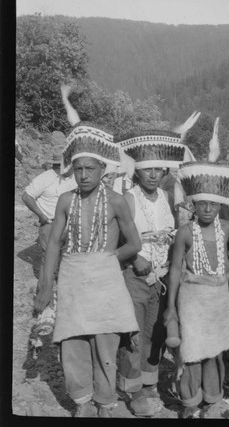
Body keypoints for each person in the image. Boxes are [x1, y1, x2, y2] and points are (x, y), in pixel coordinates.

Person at [34, 120, 142, 418]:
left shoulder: (117, 202)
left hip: (105, 281)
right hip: (72, 280)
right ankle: (82, 402)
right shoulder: (66, 201)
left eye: (89, 169)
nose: (83, 175)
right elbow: (54, 243)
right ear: (72, 169)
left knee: (106, 344)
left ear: (102, 170)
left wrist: (106, 260)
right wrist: (45, 286)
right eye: (78, 169)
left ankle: (106, 403)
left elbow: (134, 244)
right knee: (72, 342)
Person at [115, 128, 194, 417]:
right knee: (133, 336)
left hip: (160, 277)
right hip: (135, 276)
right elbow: (119, 239)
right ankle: (132, 392)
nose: (152, 175)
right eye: (146, 169)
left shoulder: (166, 196)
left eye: (157, 170)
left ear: (164, 171)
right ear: (137, 171)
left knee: (155, 334)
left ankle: (149, 385)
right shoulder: (128, 198)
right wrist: (135, 257)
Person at [164, 154, 229, 418]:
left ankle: (212, 399)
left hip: (218, 298)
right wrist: (171, 306)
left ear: (220, 206)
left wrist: (224, 268)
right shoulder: (186, 232)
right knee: (192, 350)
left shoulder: (228, 229)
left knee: (215, 350)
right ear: (194, 205)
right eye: (202, 204)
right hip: (192, 298)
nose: (207, 209)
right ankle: (189, 403)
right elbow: (175, 269)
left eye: (213, 204)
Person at [22, 150, 77, 288]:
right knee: (48, 260)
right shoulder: (44, 178)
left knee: (67, 257)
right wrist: (41, 216)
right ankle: (44, 293)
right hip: (50, 224)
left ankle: (60, 289)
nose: (72, 168)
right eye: (70, 164)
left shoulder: (72, 177)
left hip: (70, 224)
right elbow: (27, 196)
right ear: (62, 165)